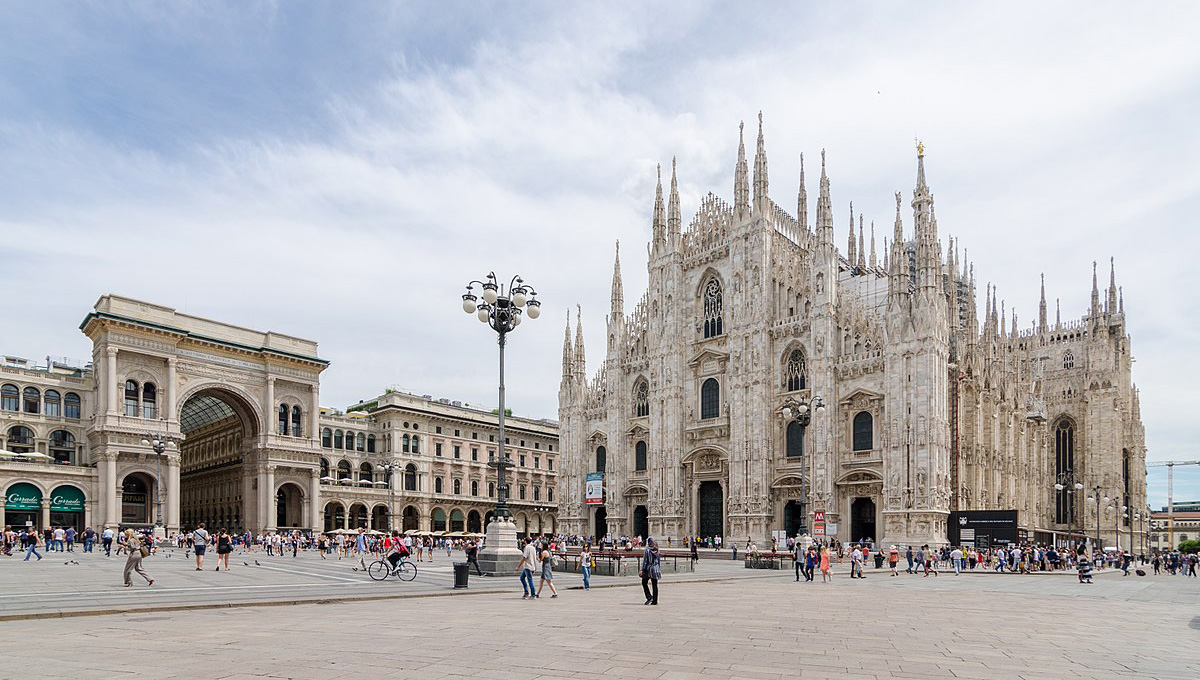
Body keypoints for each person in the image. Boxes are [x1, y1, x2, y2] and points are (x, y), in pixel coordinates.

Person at [640, 537, 661, 605]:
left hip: (649, 569)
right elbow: (659, 561)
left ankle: (649, 597)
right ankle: (655, 601)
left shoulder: (648, 550)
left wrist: (643, 570)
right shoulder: (657, 550)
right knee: (654, 585)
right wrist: (658, 569)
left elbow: (646, 561)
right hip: (656, 568)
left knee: (644, 582)